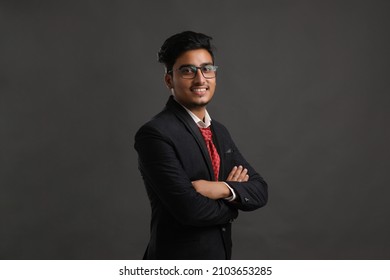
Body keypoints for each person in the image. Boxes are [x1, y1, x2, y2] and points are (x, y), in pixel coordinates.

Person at [134, 31, 268, 260]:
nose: (200, 79)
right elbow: (191, 211)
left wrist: (219, 188)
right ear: (169, 79)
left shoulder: (219, 132)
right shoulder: (155, 134)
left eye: (207, 69)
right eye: (187, 71)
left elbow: (260, 190)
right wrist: (234, 202)